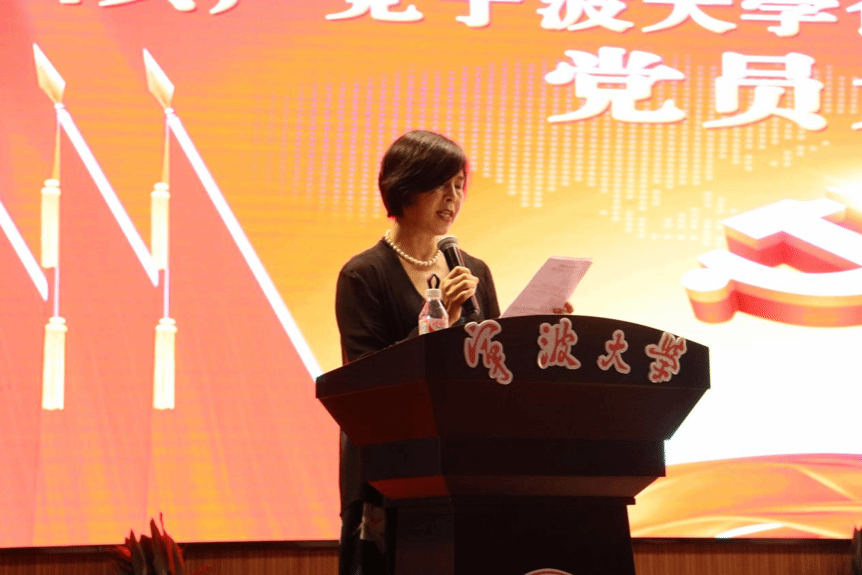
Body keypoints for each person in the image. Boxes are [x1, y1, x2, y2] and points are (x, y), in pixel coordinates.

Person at [334, 130, 500, 575]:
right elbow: (366, 379)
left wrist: (542, 321)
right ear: (406, 187)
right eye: (441, 185)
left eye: (459, 185)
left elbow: (496, 361)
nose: (453, 198)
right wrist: (442, 316)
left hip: (462, 460)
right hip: (390, 466)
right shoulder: (363, 274)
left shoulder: (473, 270)